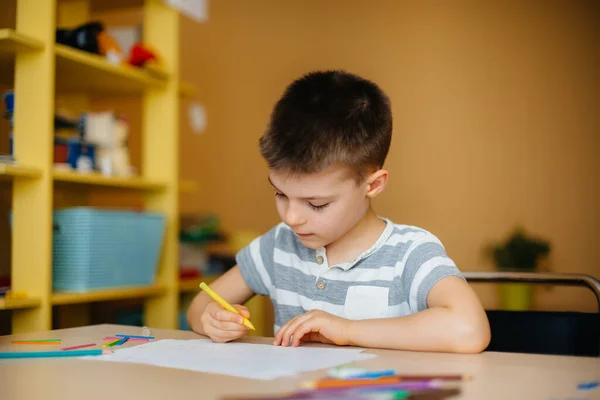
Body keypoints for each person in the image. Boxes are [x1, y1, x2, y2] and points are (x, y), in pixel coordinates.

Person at [186, 70, 491, 353]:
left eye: (316, 204)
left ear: (372, 185)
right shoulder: (279, 245)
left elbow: (469, 329)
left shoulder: (409, 253)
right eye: (280, 193)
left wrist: (347, 330)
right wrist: (212, 320)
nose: (291, 217)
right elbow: (199, 306)